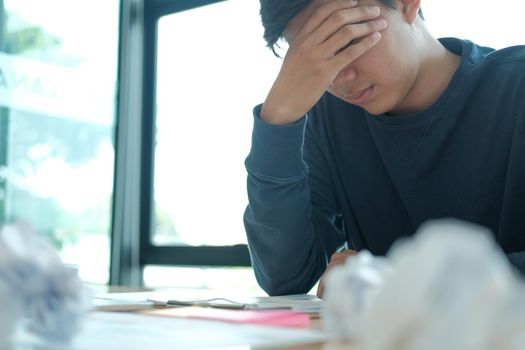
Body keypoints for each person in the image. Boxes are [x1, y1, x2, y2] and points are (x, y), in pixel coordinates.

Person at [243, 0, 525, 297]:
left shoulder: (516, 88)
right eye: (314, 57)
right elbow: (285, 279)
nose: (338, 77)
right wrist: (277, 119)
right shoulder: (326, 119)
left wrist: (402, 280)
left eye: (347, 40)